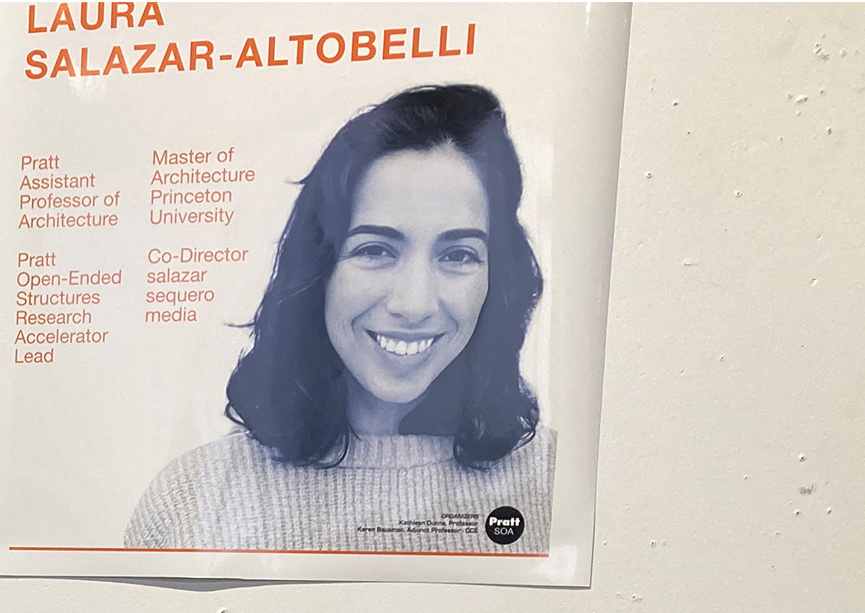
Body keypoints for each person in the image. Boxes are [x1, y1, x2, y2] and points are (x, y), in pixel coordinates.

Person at [127, 85, 555, 556]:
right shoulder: (187, 503)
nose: (414, 305)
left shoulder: (557, 486)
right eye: (375, 249)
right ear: (319, 270)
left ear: (497, 279)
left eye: (458, 254)